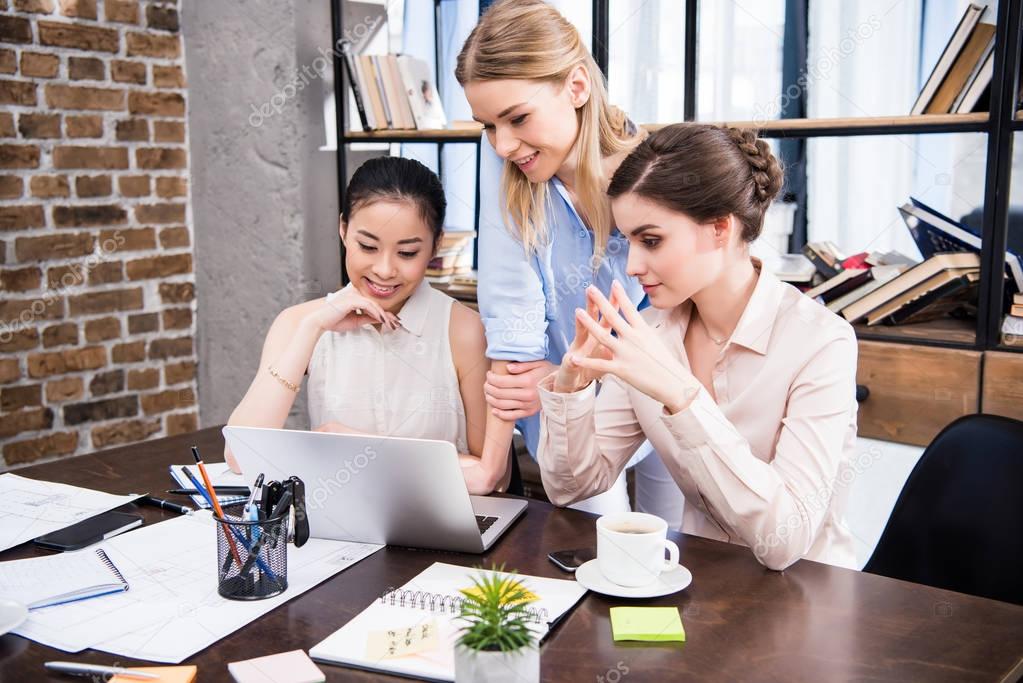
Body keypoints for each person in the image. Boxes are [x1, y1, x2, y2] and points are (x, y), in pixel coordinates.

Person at [537, 123, 860, 570]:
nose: (631, 266)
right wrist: (571, 390)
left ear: (720, 229)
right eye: (626, 241)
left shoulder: (822, 343)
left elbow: (784, 542)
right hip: (702, 584)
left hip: (808, 597)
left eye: (651, 241)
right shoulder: (651, 333)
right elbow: (572, 487)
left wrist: (681, 396)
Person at [456, 0, 684, 520]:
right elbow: (512, 310)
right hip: (563, 409)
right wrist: (493, 462)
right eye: (488, 125)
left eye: (517, 118)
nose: (502, 144)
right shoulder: (506, 168)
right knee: (596, 552)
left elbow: (671, 318)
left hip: (657, 394)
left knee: (683, 553)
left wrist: (568, 378)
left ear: (577, 87)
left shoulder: (652, 173)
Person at [225, 157, 510, 494]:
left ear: (435, 245)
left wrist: (355, 445)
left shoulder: (464, 330)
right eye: (368, 247)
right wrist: (313, 327)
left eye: (407, 253)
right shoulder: (299, 323)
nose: (385, 270)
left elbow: (494, 477)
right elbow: (241, 457)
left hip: (439, 524)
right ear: (343, 229)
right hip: (338, 525)